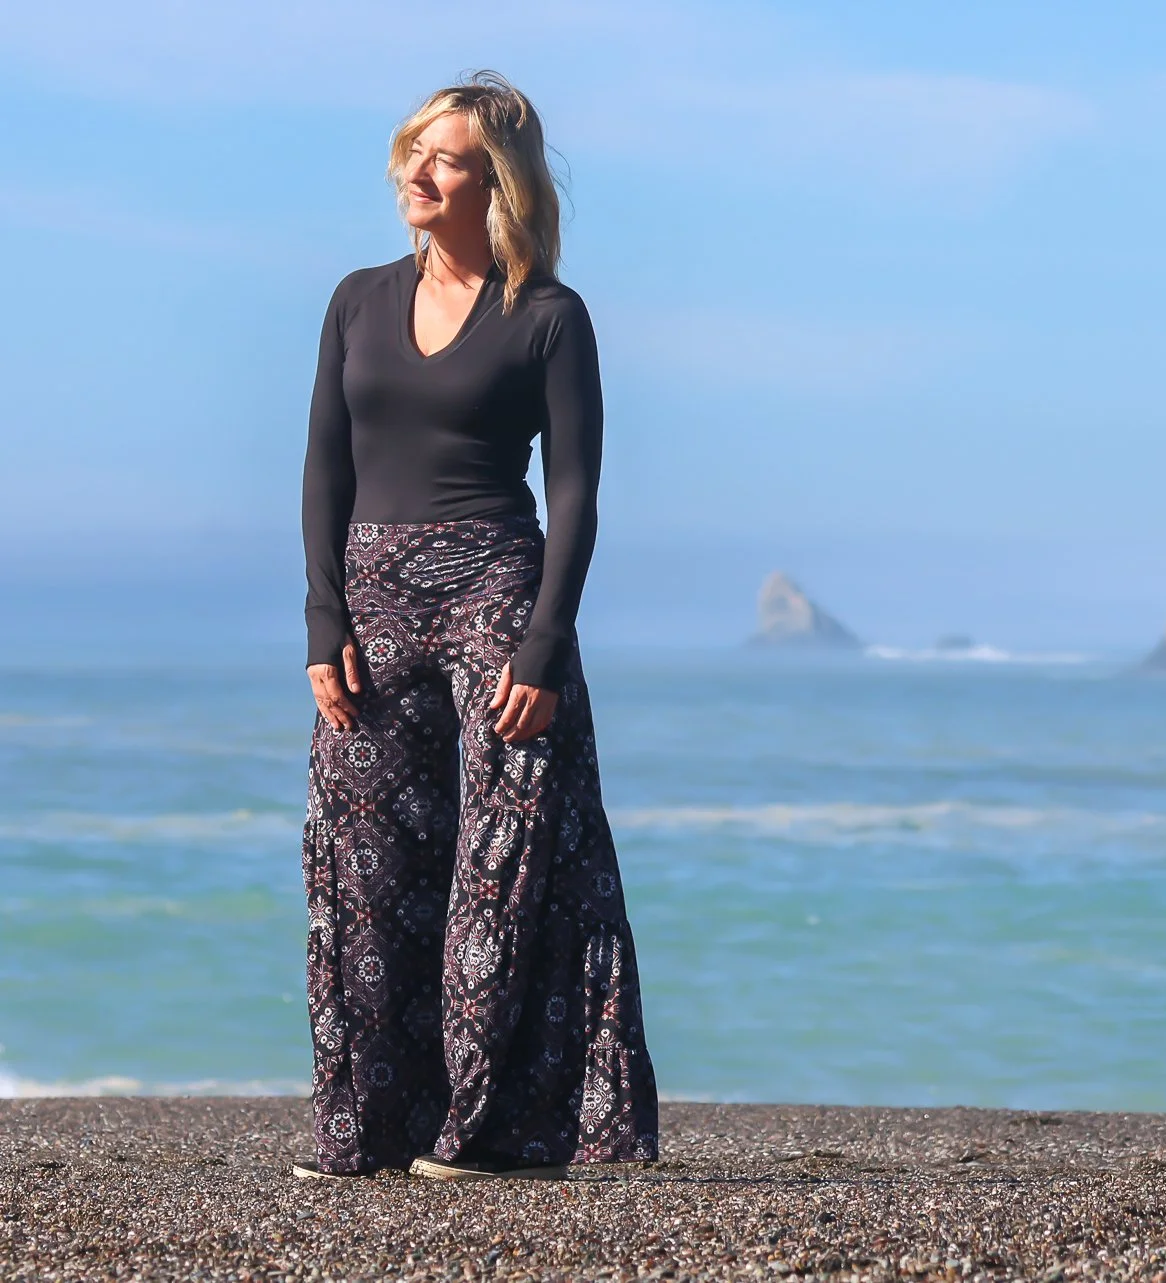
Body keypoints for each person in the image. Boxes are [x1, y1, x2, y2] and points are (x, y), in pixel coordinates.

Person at [295, 71, 659, 1181]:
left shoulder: (548, 316)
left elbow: (577, 490)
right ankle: (370, 1125)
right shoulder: (357, 299)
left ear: (495, 183)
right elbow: (324, 464)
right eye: (413, 149)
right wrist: (322, 616)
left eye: (444, 157)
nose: (417, 170)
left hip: (497, 586)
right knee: (364, 860)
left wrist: (545, 643)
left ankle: (493, 1130)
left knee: (507, 862)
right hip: (370, 593)